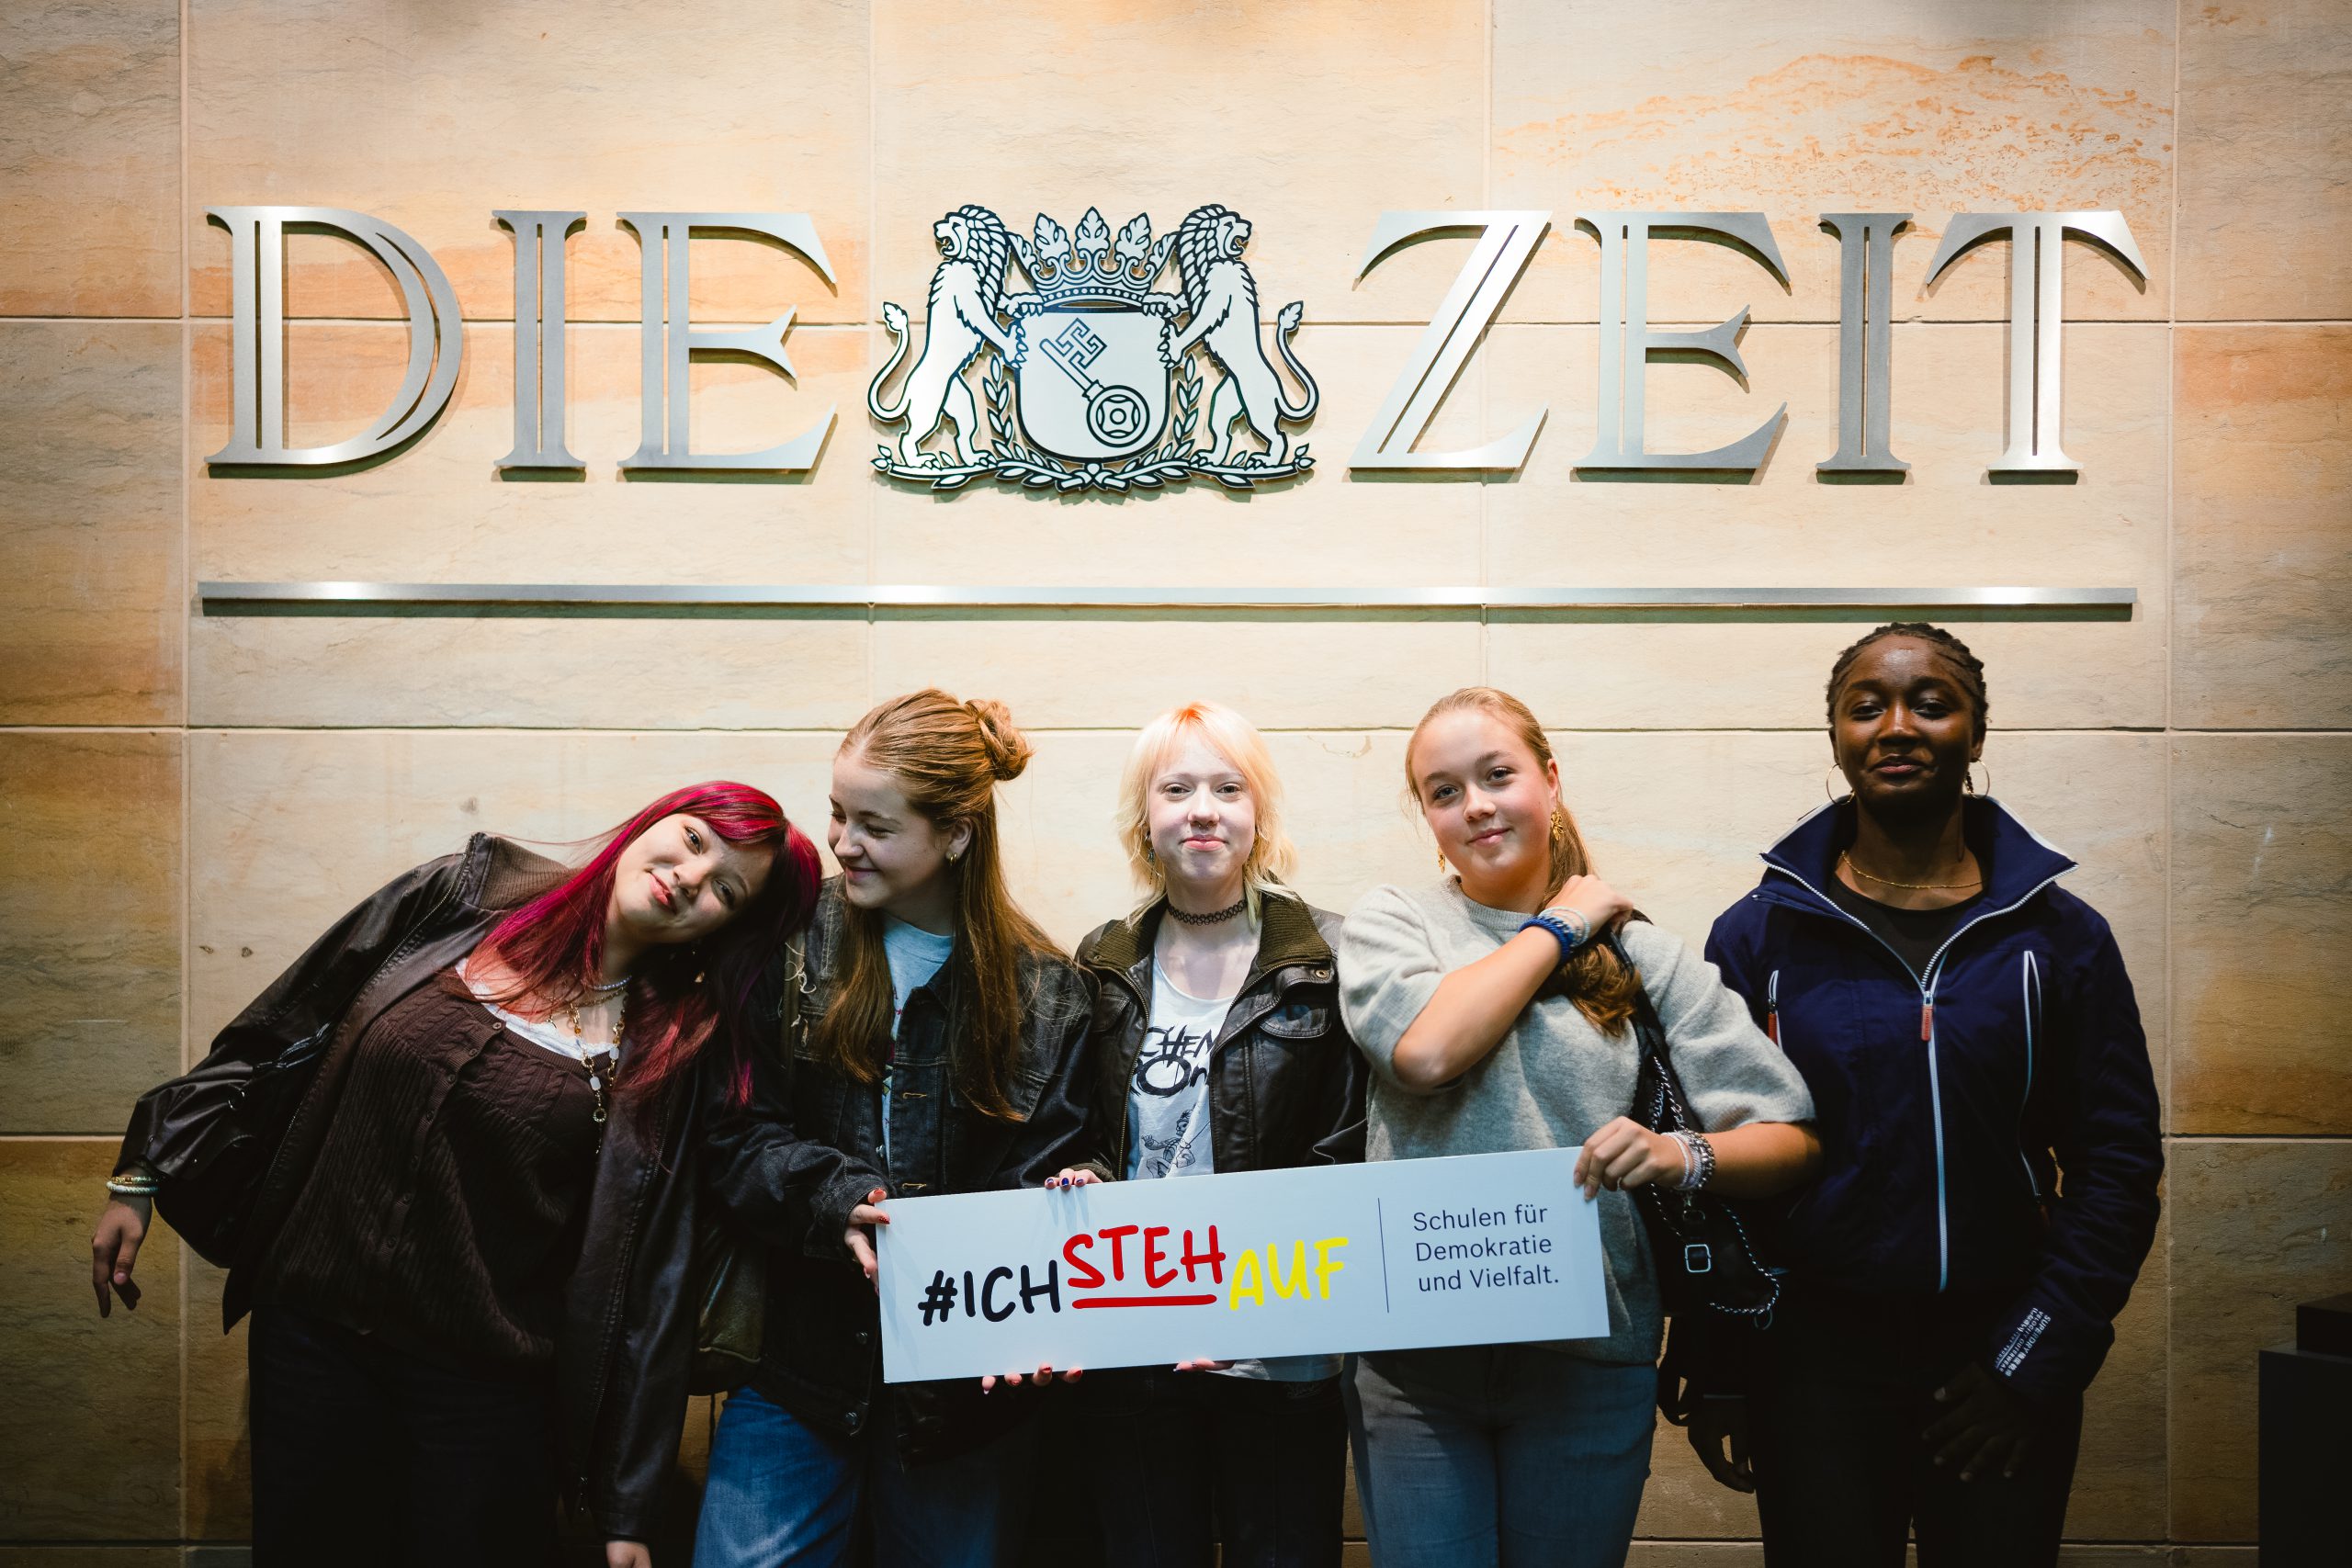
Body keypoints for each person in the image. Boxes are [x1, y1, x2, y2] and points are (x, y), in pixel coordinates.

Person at [90, 784, 824, 1568]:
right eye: (695, 839)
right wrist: (147, 1162)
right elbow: (281, 1025)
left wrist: (628, 1512)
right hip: (310, 1342)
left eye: (725, 891)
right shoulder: (459, 898)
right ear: (653, 820)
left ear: (724, 929)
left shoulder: (668, 1047)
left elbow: (652, 1280)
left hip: (484, 1397)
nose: (690, 875)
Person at [1702, 623, 2161, 1568]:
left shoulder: (2061, 938)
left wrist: (2033, 1360)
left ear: (1975, 733)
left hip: (1999, 1347)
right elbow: (1712, 1168)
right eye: (1866, 707)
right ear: (1836, 738)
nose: (1897, 726)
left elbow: (2116, 1163)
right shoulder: (1756, 938)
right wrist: (1719, 1365)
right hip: (1813, 1363)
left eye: (1931, 703)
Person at [1336, 685, 1819, 1568]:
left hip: (1589, 1358)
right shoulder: (1395, 920)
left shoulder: (1641, 952)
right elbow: (1426, 1053)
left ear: (1550, 781)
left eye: (1497, 775)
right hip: (1417, 1362)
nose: (1475, 804)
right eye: (1444, 791)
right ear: (1428, 817)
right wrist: (1561, 925)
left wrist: (1679, 1153)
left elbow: (1790, 1134)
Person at [694, 691, 1097, 1568]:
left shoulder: (1048, 992)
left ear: (955, 835)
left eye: (875, 825)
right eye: (838, 812)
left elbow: (1052, 1177)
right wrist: (833, 1197)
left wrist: (1043, 1296)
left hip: (964, 1400)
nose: (842, 842)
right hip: (799, 1370)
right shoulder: (789, 942)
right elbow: (732, 1133)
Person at [1056, 701, 1367, 1568]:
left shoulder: (1328, 956)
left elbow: (1347, 1144)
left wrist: (1240, 1305)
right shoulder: (1103, 958)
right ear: (1143, 817)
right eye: (1177, 789)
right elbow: (1084, 1129)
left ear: (1258, 812)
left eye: (1228, 788)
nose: (1203, 810)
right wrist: (1082, 1173)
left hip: (1280, 1346)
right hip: (1133, 1340)